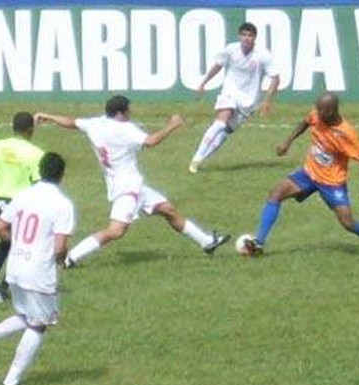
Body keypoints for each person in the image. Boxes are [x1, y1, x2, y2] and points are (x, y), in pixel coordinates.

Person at [35, 95, 230, 267]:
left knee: (168, 210)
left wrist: (49, 117)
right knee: (116, 230)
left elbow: (71, 122)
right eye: (128, 109)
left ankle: (206, 242)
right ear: (120, 113)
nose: (131, 112)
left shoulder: (96, 123)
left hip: (133, 186)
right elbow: (150, 141)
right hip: (128, 188)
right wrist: (172, 125)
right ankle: (72, 258)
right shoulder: (124, 129)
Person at [0, 152, 76, 385]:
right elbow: (59, 247)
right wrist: (60, 259)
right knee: (39, 325)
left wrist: (17, 243)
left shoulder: (23, 195)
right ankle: (11, 381)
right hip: (38, 271)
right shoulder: (62, 204)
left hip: (15, 267)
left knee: (27, 316)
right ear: (62, 175)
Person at [244, 92, 359, 255]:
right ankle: (259, 242)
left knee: (348, 223)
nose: (316, 112)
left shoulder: (347, 133)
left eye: (321, 110)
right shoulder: (317, 115)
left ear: (331, 111)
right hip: (309, 174)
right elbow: (304, 123)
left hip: (332, 183)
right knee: (276, 193)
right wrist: (287, 142)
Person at [189, 22, 280, 174]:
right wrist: (204, 82)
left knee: (226, 131)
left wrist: (267, 101)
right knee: (220, 122)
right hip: (230, 91)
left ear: (254, 38)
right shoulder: (231, 49)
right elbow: (218, 65)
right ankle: (196, 159)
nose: (246, 38)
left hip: (249, 100)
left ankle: (201, 160)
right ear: (239, 36)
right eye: (244, 35)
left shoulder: (263, 55)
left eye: (250, 35)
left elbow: (275, 78)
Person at [0, 112, 44, 302]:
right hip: (19, 202)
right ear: (31, 129)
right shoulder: (36, 153)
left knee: (7, 241)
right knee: (21, 244)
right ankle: (3, 288)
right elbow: (38, 184)